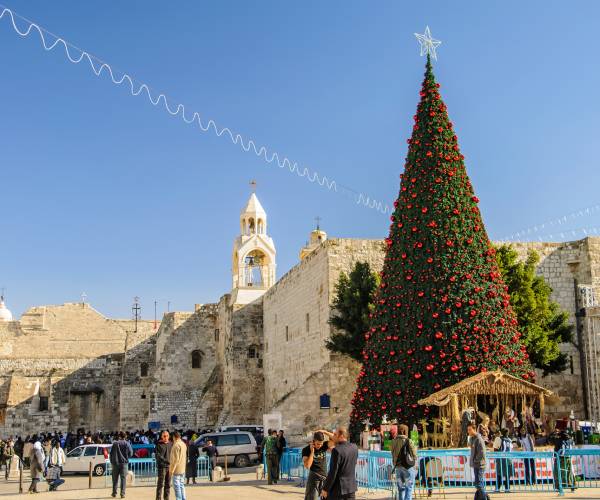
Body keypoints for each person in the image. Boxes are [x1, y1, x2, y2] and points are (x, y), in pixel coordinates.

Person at [322, 427, 358, 500]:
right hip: (351, 488)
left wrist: (325, 489)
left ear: (341, 436)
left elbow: (333, 472)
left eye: (335, 434)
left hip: (338, 490)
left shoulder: (336, 450)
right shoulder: (354, 447)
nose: (333, 436)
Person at [302, 431, 332, 500]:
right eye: (318, 444)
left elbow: (336, 439)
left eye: (321, 444)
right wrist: (312, 452)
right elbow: (307, 466)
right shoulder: (306, 450)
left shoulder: (324, 446)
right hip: (314, 478)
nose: (320, 446)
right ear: (313, 441)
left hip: (324, 478)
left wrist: (324, 431)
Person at [391, 424, 417, 500]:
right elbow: (414, 454)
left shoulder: (393, 442)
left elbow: (392, 453)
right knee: (409, 487)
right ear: (406, 431)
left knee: (400, 488)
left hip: (398, 467)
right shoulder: (409, 441)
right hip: (407, 467)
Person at [109, 431, 133, 498]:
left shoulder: (115, 443)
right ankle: (122, 494)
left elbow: (111, 454)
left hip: (115, 464)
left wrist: (112, 462)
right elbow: (131, 453)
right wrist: (126, 457)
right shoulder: (127, 444)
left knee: (115, 479)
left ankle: (114, 493)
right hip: (124, 464)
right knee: (123, 479)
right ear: (125, 437)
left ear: (119, 436)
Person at [467, 422, 486, 500]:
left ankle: (484, 497)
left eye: (470, 430)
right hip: (476, 464)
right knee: (478, 484)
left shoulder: (479, 439)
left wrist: (475, 460)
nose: (468, 431)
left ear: (474, 429)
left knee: (479, 483)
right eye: (468, 430)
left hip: (480, 465)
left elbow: (482, 452)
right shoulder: (472, 439)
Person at [493, 428, 513, 492]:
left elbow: (495, 449)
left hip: (501, 458)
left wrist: (496, 458)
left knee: (499, 474)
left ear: (501, 432)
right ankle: (507, 488)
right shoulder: (510, 440)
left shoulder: (498, 439)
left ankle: (497, 488)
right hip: (509, 459)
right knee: (507, 474)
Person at [170, 431, 187, 500]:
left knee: (177, 486)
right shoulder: (183, 444)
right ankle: (183, 498)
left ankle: (179, 498)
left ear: (174, 437)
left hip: (177, 469)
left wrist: (172, 470)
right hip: (182, 467)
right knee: (181, 485)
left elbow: (175, 459)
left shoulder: (176, 445)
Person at [155, 431, 172, 500]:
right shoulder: (159, 445)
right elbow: (158, 456)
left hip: (169, 467)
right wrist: (166, 461)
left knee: (168, 484)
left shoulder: (171, 444)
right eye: (164, 436)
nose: (165, 437)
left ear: (169, 436)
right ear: (162, 436)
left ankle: (166, 498)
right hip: (162, 467)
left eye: (167, 436)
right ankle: (158, 498)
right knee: (160, 484)